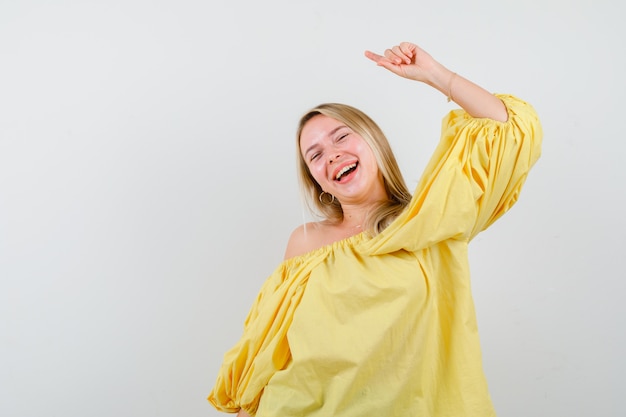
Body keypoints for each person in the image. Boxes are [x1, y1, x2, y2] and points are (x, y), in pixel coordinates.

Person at [208, 41, 542, 417]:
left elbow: (510, 127)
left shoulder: (431, 220)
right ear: (318, 180)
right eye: (314, 155)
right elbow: (267, 345)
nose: (330, 154)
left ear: (373, 142)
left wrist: (435, 74)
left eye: (341, 136)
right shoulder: (305, 241)